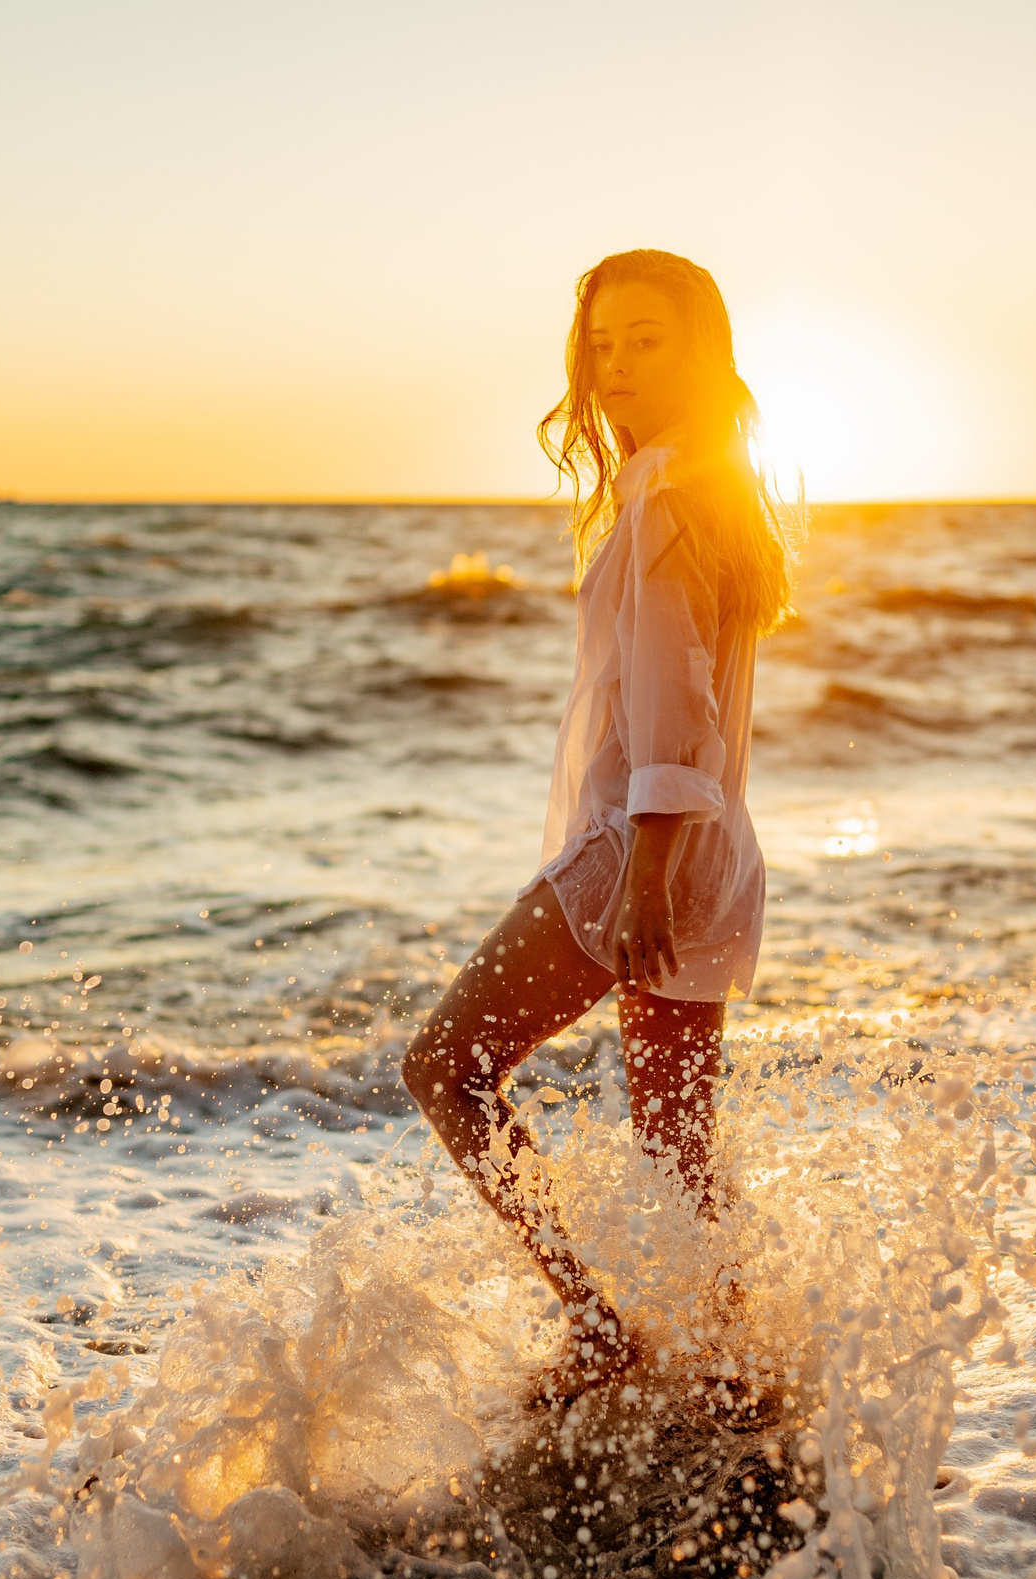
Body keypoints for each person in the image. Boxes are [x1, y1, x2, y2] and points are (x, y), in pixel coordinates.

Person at [401, 249, 795, 1402]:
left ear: (701, 352)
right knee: (677, 1159)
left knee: (445, 1070)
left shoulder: (670, 502)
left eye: (646, 340)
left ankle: (597, 1326)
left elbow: (675, 703)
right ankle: (730, 1374)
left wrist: (644, 875)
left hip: (643, 853)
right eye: (601, 342)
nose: (615, 364)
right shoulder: (702, 489)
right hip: (709, 856)